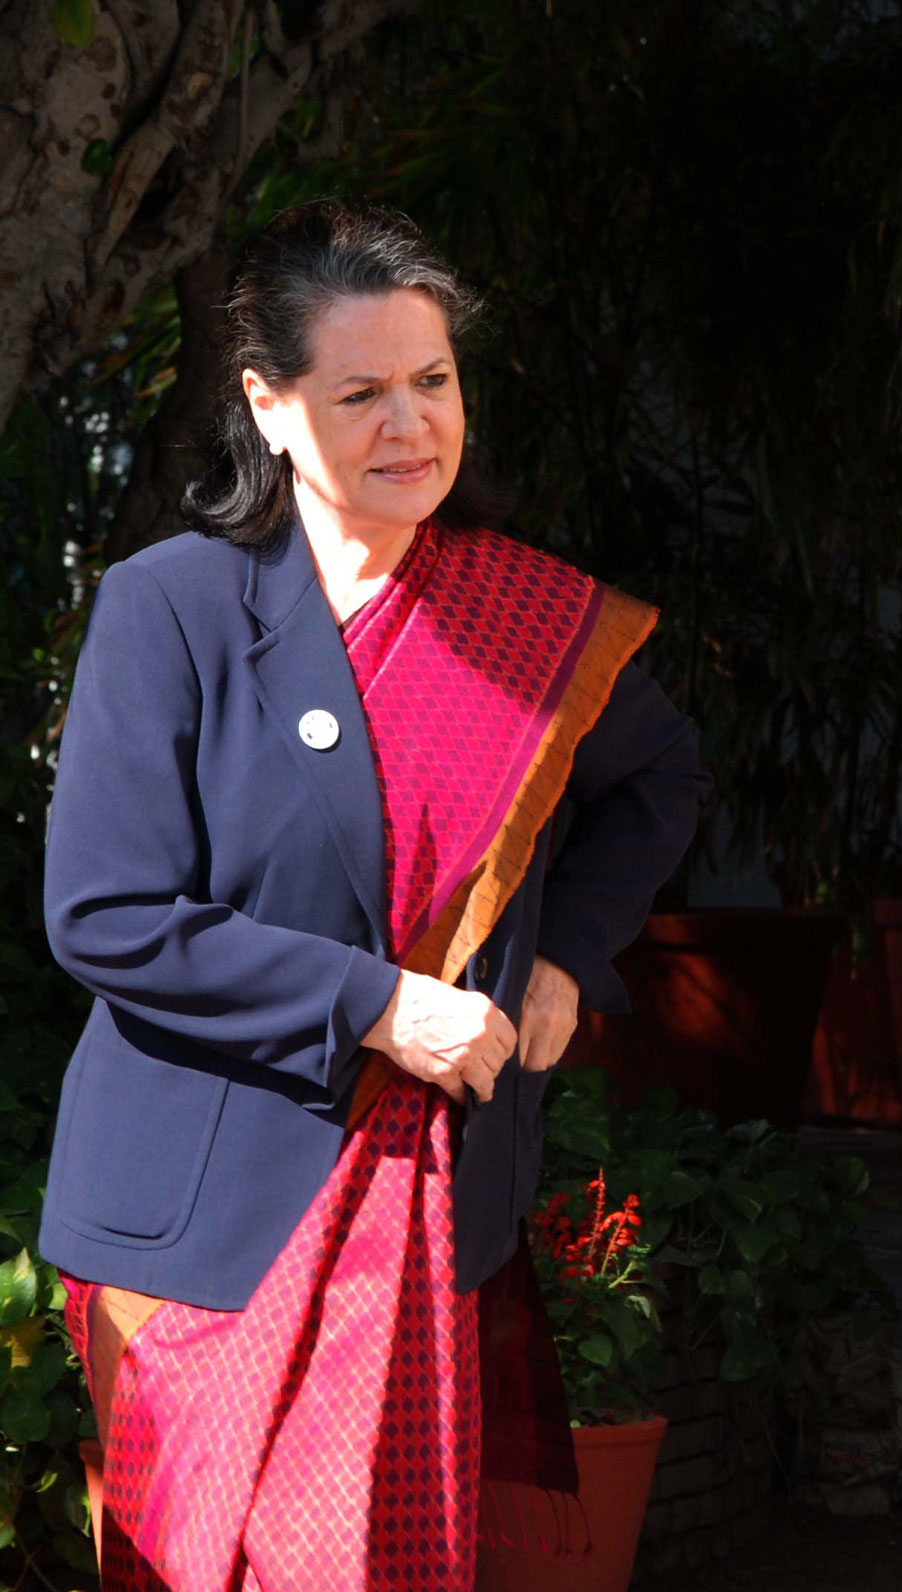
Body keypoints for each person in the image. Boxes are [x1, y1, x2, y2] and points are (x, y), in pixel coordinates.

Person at [39, 199, 706, 1590]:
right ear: (268, 406)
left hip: (429, 1208)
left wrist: (566, 957)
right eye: (362, 394)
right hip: (209, 1219)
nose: (412, 426)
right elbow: (107, 913)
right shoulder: (174, 608)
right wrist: (376, 1005)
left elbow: (658, 778)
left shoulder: (528, 618)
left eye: (433, 381)